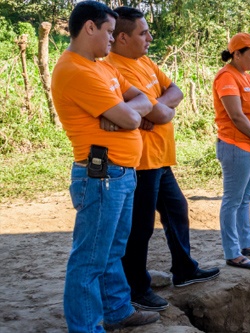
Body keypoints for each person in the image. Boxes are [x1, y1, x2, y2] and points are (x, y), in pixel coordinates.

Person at [53, 1, 159, 331]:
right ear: (89, 28)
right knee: (89, 259)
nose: (113, 39)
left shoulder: (102, 67)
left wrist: (128, 115)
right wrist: (128, 115)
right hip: (101, 174)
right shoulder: (75, 70)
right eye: (109, 32)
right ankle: (86, 327)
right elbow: (131, 114)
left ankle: (115, 311)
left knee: (112, 249)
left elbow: (142, 99)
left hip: (119, 172)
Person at [108, 6, 220, 312]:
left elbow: (176, 91)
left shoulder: (144, 61)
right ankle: (136, 287)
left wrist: (154, 109)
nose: (149, 38)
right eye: (142, 33)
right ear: (121, 38)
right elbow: (158, 109)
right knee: (140, 227)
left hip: (160, 158)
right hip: (140, 161)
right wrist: (158, 110)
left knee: (177, 210)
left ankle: (183, 269)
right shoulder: (112, 68)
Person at [214, 32, 250, 269]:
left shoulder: (245, 77)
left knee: (245, 198)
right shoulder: (227, 77)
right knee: (232, 200)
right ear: (236, 54)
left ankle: (247, 243)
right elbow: (237, 116)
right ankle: (232, 252)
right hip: (236, 146)